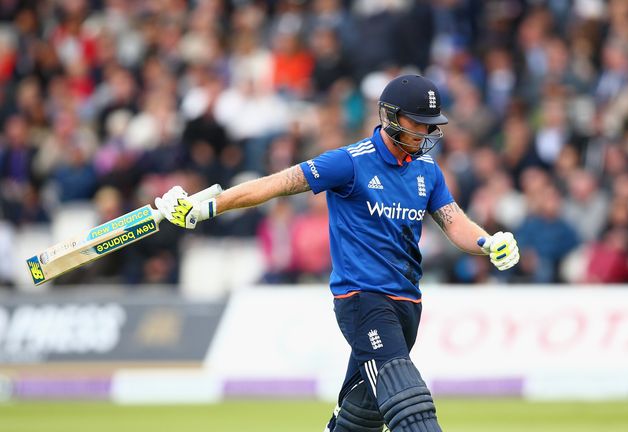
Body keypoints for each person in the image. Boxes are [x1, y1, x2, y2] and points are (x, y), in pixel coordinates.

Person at [154, 74, 519, 432]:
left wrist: (488, 242)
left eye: (430, 126)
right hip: (363, 300)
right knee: (410, 404)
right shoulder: (349, 162)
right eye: (418, 124)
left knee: (361, 417)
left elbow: (453, 221)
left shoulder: (428, 170)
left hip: (408, 303)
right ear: (390, 117)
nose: (426, 133)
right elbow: (276, 184)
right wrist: (208, 207)